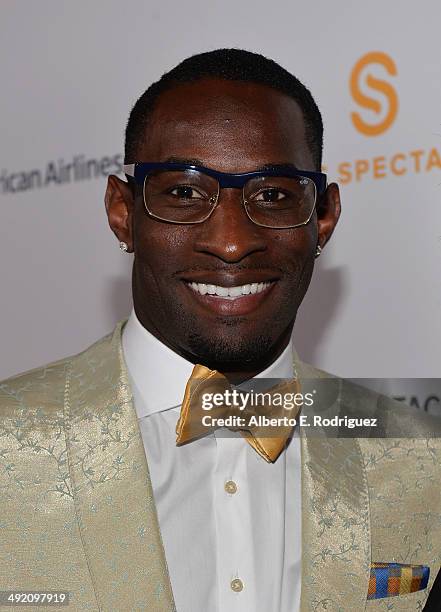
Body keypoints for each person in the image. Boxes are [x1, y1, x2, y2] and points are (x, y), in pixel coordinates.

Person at [1, 48, 440, 612]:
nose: (231, 242)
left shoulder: (420, 459)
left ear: (323, 218)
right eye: (183, 193)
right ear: (122, 212)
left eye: (273, 195)